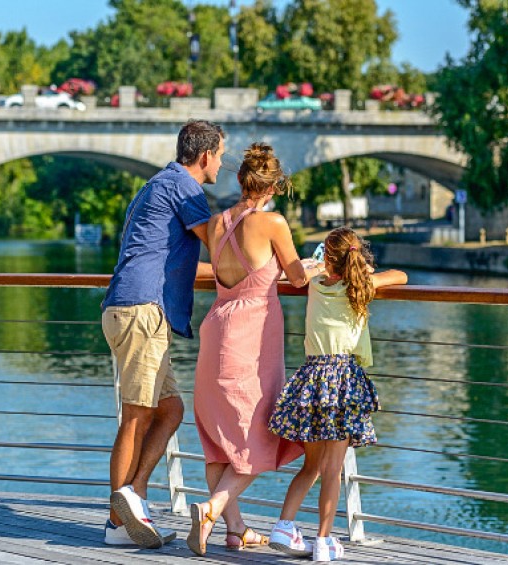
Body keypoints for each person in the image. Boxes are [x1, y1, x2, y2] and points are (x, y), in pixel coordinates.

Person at [186, 142, 325, 556]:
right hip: (251, 338)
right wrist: (317, 266)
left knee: (218, 438)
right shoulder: (273, 223)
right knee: (258, 435)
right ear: (274, 186)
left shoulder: (215, 223)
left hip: (216, 328)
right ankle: (210, 509)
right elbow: (297, 277)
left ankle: (235, 530)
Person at [101, 119, 224, 549]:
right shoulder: (185, 188)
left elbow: (188, 264)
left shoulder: (159, 184)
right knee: (136, 414)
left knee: (169, 410)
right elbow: (219, 245)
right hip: (141, 312)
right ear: (206, 155)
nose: (222, 164)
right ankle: (119, 520)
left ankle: (131, 498)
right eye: (221, 156)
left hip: (134, 310)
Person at [267, 227, 407, 562]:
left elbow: (301, 272)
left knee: (312, 465)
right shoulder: (362, 286)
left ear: (327, 257)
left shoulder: (314, 285)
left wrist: (316, 264)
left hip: (312, 377)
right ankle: (325, 541)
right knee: (332, 469)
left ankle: (284, 526)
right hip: (342, 380)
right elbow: (400, 275)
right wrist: (365, 269)